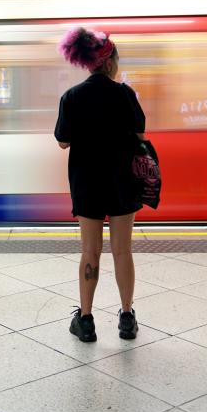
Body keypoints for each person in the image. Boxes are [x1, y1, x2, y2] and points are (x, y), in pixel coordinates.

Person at [54, 28, 146, 343]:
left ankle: (87, 319)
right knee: (122, 250)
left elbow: (63, 142)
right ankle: (125, 317)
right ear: (110, 62)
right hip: (122, 182)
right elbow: (140, 136)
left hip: (87, 182)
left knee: (90, 250)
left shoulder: (72, 96)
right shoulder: (125, 94)